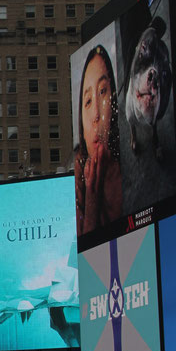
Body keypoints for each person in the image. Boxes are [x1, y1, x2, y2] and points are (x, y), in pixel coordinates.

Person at [74, 44, 123, 236]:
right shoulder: (76, 179)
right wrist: (91, 205)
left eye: (103, 92)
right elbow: (73, 264)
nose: (96, 115)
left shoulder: (133, 163)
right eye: (87, 101)